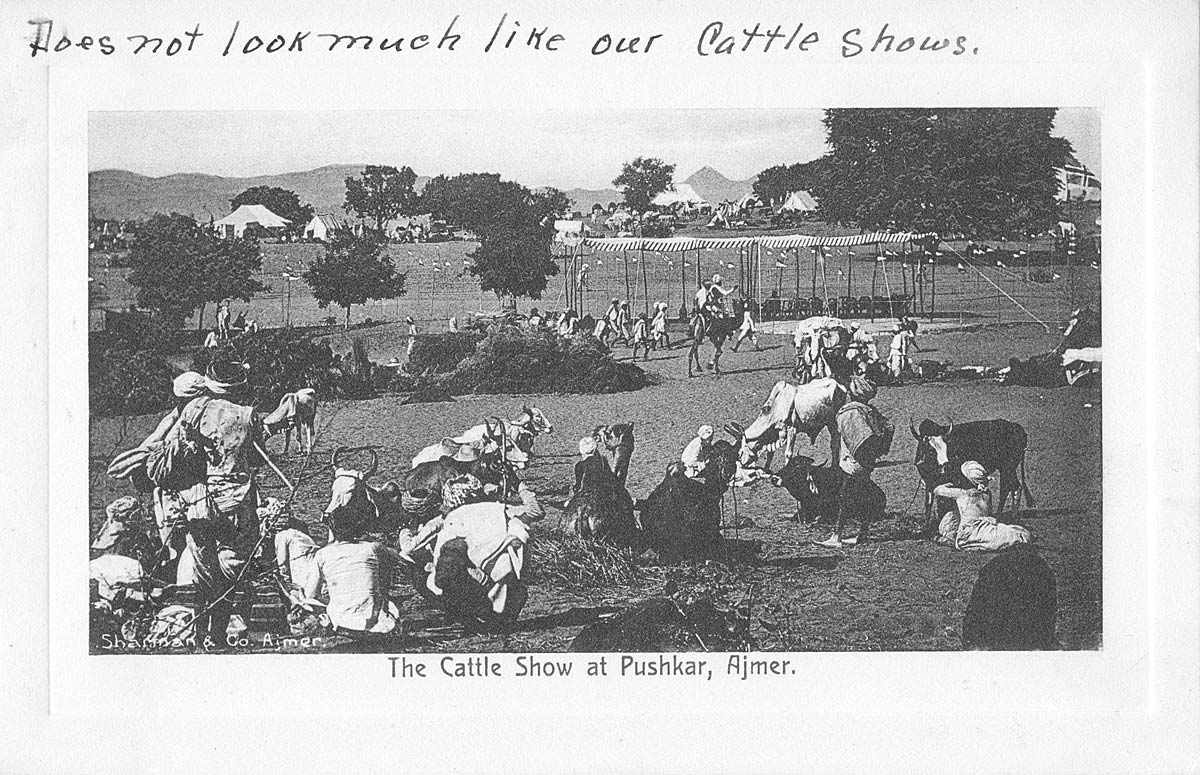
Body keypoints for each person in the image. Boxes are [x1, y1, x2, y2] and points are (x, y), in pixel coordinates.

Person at [169, 361, 268, 649]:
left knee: (203, 573)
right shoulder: (249, 415)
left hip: (200, 502)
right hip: (237, 505)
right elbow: (258, 459)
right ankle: (219, 637)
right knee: (229, 574)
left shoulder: (192, 412)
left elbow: (185, 458)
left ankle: (200, 639)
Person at [302, 504, 401, 636]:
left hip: (341, 622)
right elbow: (395, 557)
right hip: (378, 624)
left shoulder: (323, 554)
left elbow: (310, 595)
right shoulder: (372, 548)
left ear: (332, 528)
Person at [817, 377, 889, 548]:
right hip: (866, 463)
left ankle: (837, 536)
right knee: (863, 496)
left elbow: (856, 440)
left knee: (845, 498)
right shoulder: (870, 410)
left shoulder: (850, 413)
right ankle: (862, 533)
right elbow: (886, 429)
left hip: (853, 463)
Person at [934, 461, 1032, 552]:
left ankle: (958, 541)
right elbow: (988, 513)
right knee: (1018, 534)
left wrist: (950, 484)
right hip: (984, 527)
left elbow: (937, 490)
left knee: (950, 519)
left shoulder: (963, 494)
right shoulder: (987, 494)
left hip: (966, 533)